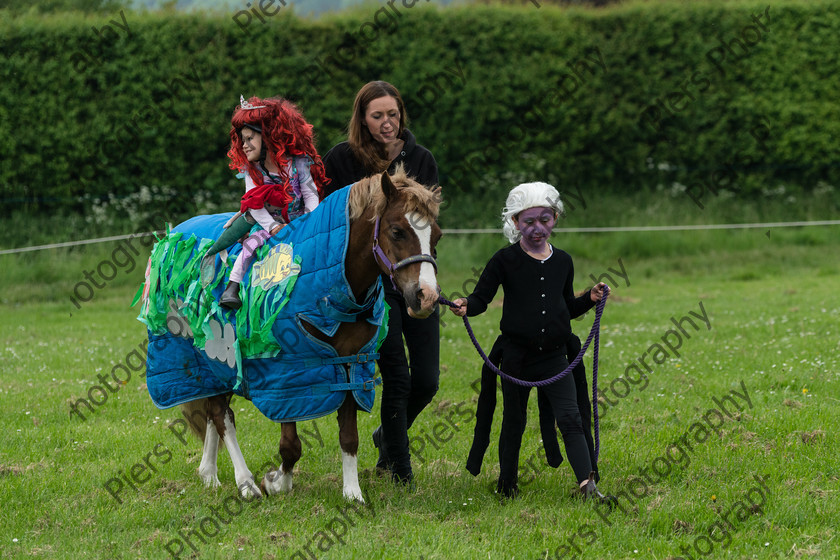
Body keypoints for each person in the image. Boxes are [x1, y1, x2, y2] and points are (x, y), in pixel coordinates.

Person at [450, 182, 611, 501]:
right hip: (516, 358)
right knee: (514, 421)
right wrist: (467, 304)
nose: (538, 228)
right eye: (529, 221)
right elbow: (482, 298)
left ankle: (587, 486)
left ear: (555, 219)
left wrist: (589, 298)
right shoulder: (503, 260)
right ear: (515, 223)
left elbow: (566, 305)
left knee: (571, 418)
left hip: (555, 357)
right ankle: (506, 483)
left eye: (546, 219)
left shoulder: (563, 261)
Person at [322, 81, 439, 485]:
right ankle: (399, 471)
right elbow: (327, 219)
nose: (387, 123)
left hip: (413, 273)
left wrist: (427, 276)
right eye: (377, 116)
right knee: (398, 377)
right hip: (370, 286)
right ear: (362, 119)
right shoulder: (341, 160)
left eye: (393, 114)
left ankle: (387, 436)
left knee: (427, 380)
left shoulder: (421, 159)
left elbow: (426, 224)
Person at [203, 95, 329, 310]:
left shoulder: (299, 163)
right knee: (251, 245)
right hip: (269, 225)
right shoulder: (252, 171)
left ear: (270, 137)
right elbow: (254, 205)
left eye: (250, 138)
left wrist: (311, 221)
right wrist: (273, 227)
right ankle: (232, 286)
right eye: (242, 140)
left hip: (300, 223)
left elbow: (310, 194)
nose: (244, 145)